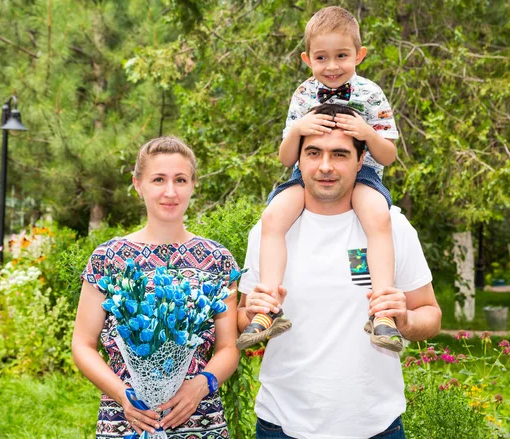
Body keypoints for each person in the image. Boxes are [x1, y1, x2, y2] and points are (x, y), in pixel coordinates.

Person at [237, 104, 441, 439]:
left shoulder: (393, 227)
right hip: (282, 425)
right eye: (314, 153)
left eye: (340, 154)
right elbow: (242, 318)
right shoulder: (268, 229)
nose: (326, 166)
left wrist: (405, 321)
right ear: (298, 159)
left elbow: (430, 314)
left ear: (361, 161)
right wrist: (252, 313)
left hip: (376, 427)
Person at [236, 6, 401, 351]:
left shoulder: (371, 94)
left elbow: (389, 155)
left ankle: (383, 311)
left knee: (377, 216)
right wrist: (297, 130)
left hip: (364, 171)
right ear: (307, 59)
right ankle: (268, 306)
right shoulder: (303, 95)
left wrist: (367, 133)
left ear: (360, 55)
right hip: (307, 173)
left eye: (342, 55)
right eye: (321, 57)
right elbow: (285, 158)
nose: (332, 66)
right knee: (273, 216)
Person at [73, 136, 240, 438]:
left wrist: (200, 385)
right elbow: (83, 345)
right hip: (128, 420)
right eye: (158, 179)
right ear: (138, 184)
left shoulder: (218, 259)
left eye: (180, 179)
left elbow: (228, 347)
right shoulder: (108, 258)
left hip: (199, 419)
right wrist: (123, 394)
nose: (170, 192)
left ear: (193, 185)